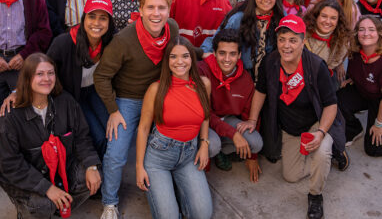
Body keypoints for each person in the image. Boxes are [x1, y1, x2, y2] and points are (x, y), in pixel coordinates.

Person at [94, 0, 179, 219]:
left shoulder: (172, 27)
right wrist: (113, 110)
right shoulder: (123, 40)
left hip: (160, 94)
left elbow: (184, 52)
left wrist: (206, 53)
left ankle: (172, 186)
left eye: (161, 8)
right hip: (128, 99)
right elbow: (101, 76)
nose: (156, 13)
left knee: (174, 140)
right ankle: (109, 203)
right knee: (116, 153)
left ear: (168, 10)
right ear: (140, 10)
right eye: (150, 7)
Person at [250, 14, 345, 219]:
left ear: (303, 42)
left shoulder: (316, 65)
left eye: (293, 40)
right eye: (282, 39)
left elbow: (331, 105)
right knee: (290, 176)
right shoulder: (271, 61)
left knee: (321, 154)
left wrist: (320, 133)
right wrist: (251, 119)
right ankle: (329, 155)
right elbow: (261, 91)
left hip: (315, 123)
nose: (286, 46)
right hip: (290, 129)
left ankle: (316, 195)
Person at [0, 53, 102, 219]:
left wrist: (91, 166)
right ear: (27, 78)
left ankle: (58, 206)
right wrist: (46, 188)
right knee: (42, 205)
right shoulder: (10, 116)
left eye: (50, 73)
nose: (47, 78)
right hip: (24, 177)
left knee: (91, 176)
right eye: (39, 74)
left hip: (57, 169)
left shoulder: (65, 101)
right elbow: (10, 164)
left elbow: (82, 137)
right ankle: (27, 208)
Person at [136, 36, 212, 219]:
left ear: (192, 59)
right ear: (167, 60)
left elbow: (205, 117)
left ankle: (176, 189)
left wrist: (204, 144)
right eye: (173, 57)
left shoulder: (204, 85)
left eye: (185, 56)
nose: (180, 62)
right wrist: (139, 167)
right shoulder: (156, 89)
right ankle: (168, 188)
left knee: (203, 215)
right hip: (159, 158)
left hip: (189, 155)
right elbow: (143, 129)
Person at [43, 0, 114, 160]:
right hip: (72, 94)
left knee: (112, 130)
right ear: (83, 19)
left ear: (109, 23)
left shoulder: (111, 41)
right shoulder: (64, 42)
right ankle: (96, 170)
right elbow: (44, 69)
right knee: (97, 135)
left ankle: (109, 168)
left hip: (96, 90)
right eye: (92, 16)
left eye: (103, 18)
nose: (96, 23)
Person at [0, 0, 52, 140]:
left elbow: (44, 32)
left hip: (23, 62)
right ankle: (0, 153)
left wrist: (25, 55)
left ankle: (26, 150)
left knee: (25, 111)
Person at [198, 29, 263, 180]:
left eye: (232, 54)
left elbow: (249, 116)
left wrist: (252, 157)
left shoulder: (245, 79)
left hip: (226, 119)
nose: (227, 59)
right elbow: (205, 113)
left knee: (256, 142)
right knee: (212, 145)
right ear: (214, 53)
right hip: (204, 121)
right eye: (222, 53)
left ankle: (223, 150)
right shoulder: (202, 70)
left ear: (239, 55)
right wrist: (234, 135)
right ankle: (212, 152)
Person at [202, 0, 284, 81]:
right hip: (241, 78)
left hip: (269, 80)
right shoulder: (238, 19)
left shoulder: (281, 19)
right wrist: (206, 55)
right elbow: (215, 42)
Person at [337, 15, 382, 157]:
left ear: (379, 33)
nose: (366, 33)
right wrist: (353, 79)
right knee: (338, 97)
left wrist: (379, 124)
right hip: (364, 91)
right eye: (362, 29)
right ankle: (354, 129)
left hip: (379, 100)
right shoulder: (355, 53)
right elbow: (357, 71)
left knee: (373, 150)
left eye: (371, 29)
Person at [304, 0, 351, 87]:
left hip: (325, 75)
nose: (328, 21)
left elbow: (332, 64)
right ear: (316, 16)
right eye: (324, 16)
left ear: (338, 21)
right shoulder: (304, 34)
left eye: (333, 18)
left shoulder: (342, 39)